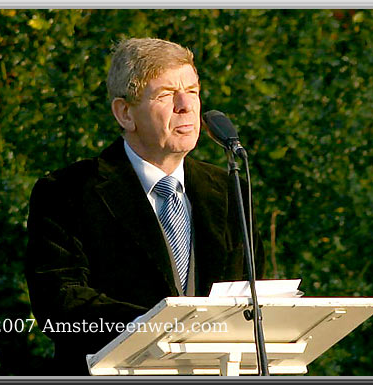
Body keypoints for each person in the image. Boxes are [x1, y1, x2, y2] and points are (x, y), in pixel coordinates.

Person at [25, 37, 265, 376]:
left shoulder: (229, 191)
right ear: (125, 112)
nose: (186, 106)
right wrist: (161, 326)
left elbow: (253, 295)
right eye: (166, 95)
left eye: (193, 91)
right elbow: (59, 304)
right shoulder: (67, 192)